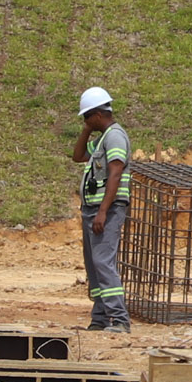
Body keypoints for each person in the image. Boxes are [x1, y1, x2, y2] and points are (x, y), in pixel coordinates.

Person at [71, 86, 132, 331]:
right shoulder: (102, 139)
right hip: (93, 211)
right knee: (94, 265)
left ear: (98, 114)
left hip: (106, 210)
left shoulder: (115, 136)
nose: (86, 121)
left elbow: (115, 173)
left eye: (87, 117)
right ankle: (99, 318)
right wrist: (86, 131)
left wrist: (103, 212)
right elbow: (77, 156)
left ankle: (119, 319)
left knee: (103, 263)